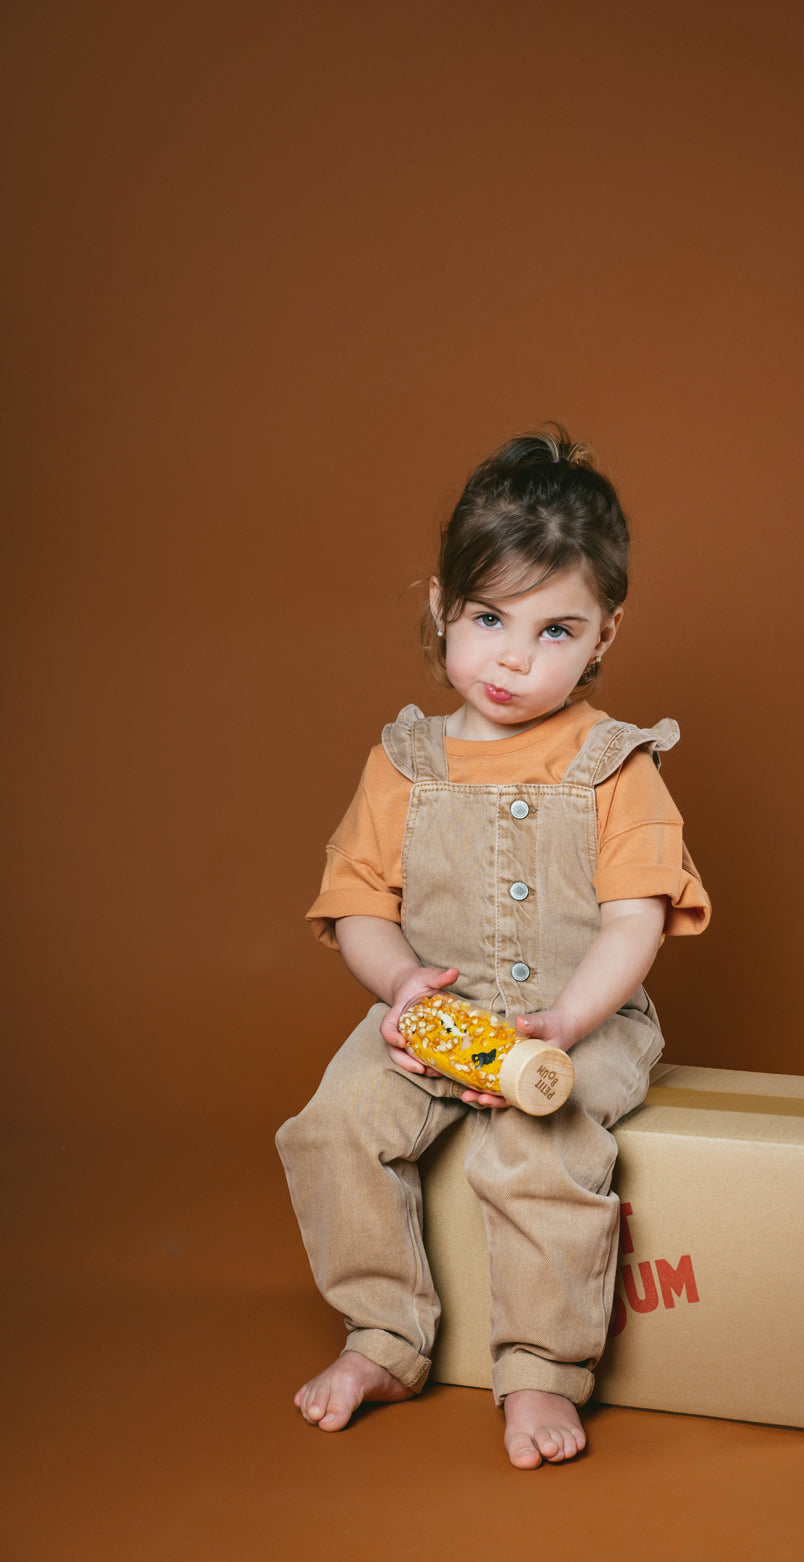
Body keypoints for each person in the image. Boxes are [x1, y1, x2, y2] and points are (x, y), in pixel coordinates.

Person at [277, 426, 710, 1468]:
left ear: (605, 634)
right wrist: (396, 986)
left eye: (556, 630)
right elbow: (359, 902)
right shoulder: (405, 761)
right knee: (333, 1124)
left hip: (578, 1014)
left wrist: (568, 1020)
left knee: (537, 1136)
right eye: (487, 618)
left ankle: (538, 1367)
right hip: (433, 1011)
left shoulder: (615, 765)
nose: (515, 657)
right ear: (440, 606)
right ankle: (383, 1332)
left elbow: (633, 919)